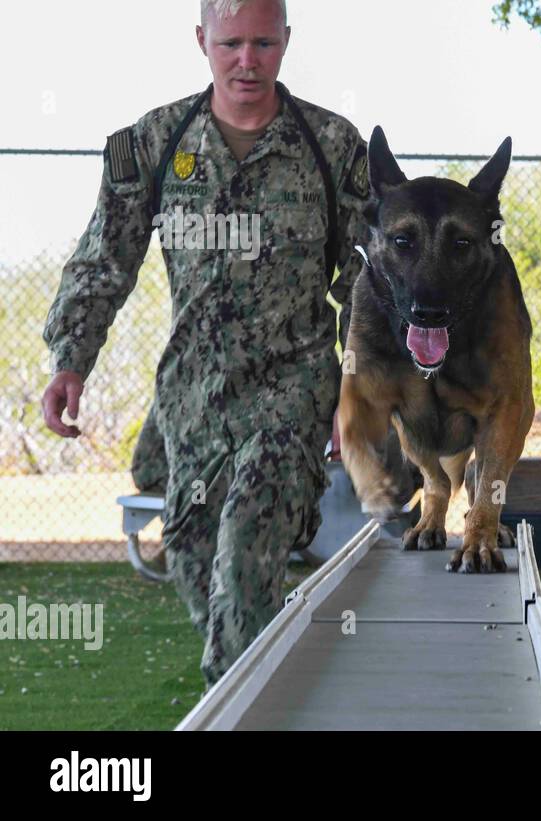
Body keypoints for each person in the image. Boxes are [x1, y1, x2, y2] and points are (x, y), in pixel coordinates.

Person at [40, 0, 369, 686]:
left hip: (293, 387)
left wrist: (356, 386)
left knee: (246, 548)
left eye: (262, 43)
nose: (246, 60)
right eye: (230, 44)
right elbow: (106, 258)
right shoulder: (156, 142)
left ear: (285, 42)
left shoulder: (332, 146)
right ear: (202, 42)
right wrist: (71, 360)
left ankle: (238, 706)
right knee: (199, 564)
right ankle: (264, 685)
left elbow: (367, 276)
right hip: (194, 395)